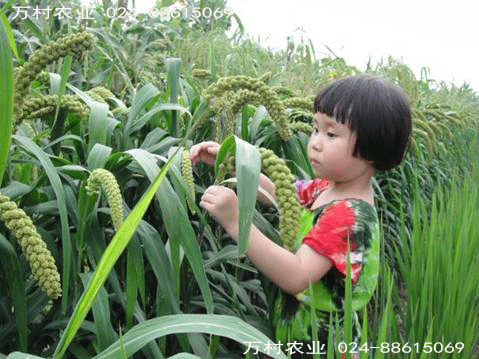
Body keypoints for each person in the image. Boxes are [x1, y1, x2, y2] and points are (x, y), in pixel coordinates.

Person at [190, 75, 412, 358]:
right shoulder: (327, 189)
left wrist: (237, 223)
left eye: (331, 134)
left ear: (372, 147)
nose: (315, 142)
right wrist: (235, 164)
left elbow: (297, 275)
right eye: (315, 128)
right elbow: (279, 194)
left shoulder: (348, 215)